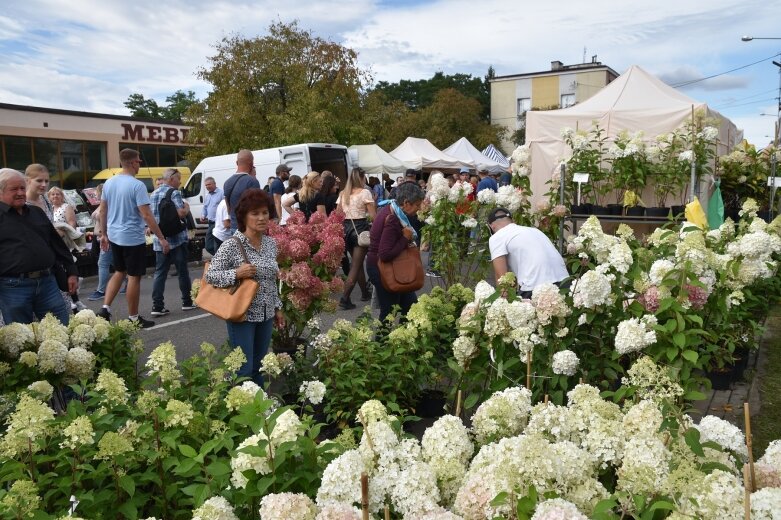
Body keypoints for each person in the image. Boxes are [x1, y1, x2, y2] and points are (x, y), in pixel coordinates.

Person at [206, 189, 284, 385]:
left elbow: (271, 280)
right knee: (243, 368)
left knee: (259, 366)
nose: (261, 218)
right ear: (244, 216)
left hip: (266, 315)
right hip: (243, 315)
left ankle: (260, 410)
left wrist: (277, 307)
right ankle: (240, 408)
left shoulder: (270, 244)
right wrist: (236, 273)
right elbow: (210, 277)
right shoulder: (232, 245)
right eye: (255, 213)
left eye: (265, 213)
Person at [98, 148, 170, 328]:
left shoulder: (109, 183)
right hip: (131, 237)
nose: (140, 164)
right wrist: (161, 238)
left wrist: (104, 234)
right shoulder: (137, 185)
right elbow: (146, 215)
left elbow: (103, 210)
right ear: (131, 162)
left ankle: (105, 308)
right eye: (138, 161)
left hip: (114, 236)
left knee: (119, 271)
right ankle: (133, 317)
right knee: (133, 277)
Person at [0, 168, 76, 325]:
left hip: (48, 283)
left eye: (22, 188)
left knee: (60, 330)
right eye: (14, 189)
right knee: (22, 338)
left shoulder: (36, 212)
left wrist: (72, 272)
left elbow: (57, 245)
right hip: (13, 287)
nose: (21, 193)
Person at [366, 182, 426, 323]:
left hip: (387, 266)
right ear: (406, 203)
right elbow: (385, 254)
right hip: (382, 269)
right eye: (417, 205)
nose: (419, 209)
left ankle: (404, 339)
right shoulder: (392, 218)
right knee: (389, 313)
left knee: (409, 307)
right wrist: (405, 237)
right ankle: (381, 343)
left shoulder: (391, 210)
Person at [487, 207, 569, 299]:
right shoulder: (534, 230)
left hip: (535, 286)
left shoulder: (497, 237)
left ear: (491, 226)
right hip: (565, 282)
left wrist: (503, 302)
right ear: (513, 221)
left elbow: (502, 277)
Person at [149, 168, 196, 317]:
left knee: (160, 273)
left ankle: (157, 306)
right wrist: (187, 207)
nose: (180, 181)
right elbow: (181, 213)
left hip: (160, 240)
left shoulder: (153, 194)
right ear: (171, 179)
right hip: (176, 239)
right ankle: (187, 302)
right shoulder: (173, 193)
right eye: (178, 178)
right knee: (182, 272)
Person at [337, 168, 376, 310]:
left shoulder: (343, 194)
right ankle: (345, 298)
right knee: (356, 265)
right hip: (360, 229)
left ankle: (365, 293)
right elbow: (373, 216)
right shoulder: (365, 192)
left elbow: (337, 214)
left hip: (346, 229)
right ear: (361, 178)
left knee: (357, 263)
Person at [48, 185, 87, 312]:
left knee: (67, 269)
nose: (55, 196)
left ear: (62, 196)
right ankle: (70, 300)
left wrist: (62, 232)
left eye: (57, 194)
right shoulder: (49, 209)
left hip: (64, 242)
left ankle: (75, 300)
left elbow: (71, 224)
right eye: (52, 194)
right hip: (52, 243)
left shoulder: (66, 207)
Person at [88, 183, 126, 300]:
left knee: (103, 263)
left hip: (108, 238)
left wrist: (104, 235)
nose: (96, 194)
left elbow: (109, 222)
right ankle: (129, 279)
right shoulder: (103, 204)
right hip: (101, 237)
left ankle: (101, 290)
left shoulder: (109, 205)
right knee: (115, 262)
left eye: (98, 192)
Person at [223, 149, 260, 233]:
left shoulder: (227, 183)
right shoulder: (252, 182)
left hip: (233, 228)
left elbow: (228, 208)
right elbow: (257, 208)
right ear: (251, 163)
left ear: (237, 163)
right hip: (248, 229)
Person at [200, 176, 223, 255]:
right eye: (206, 185)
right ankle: (220, 257)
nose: (207, 186)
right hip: (210, 223)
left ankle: (220, 259)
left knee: (216, 244)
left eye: (209, 184)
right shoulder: (208, 195)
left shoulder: (221, 193)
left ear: (214, 184)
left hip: (218, 223)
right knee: (208, 246)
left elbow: (225, 207)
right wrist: (203, 215)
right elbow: (205, 207)